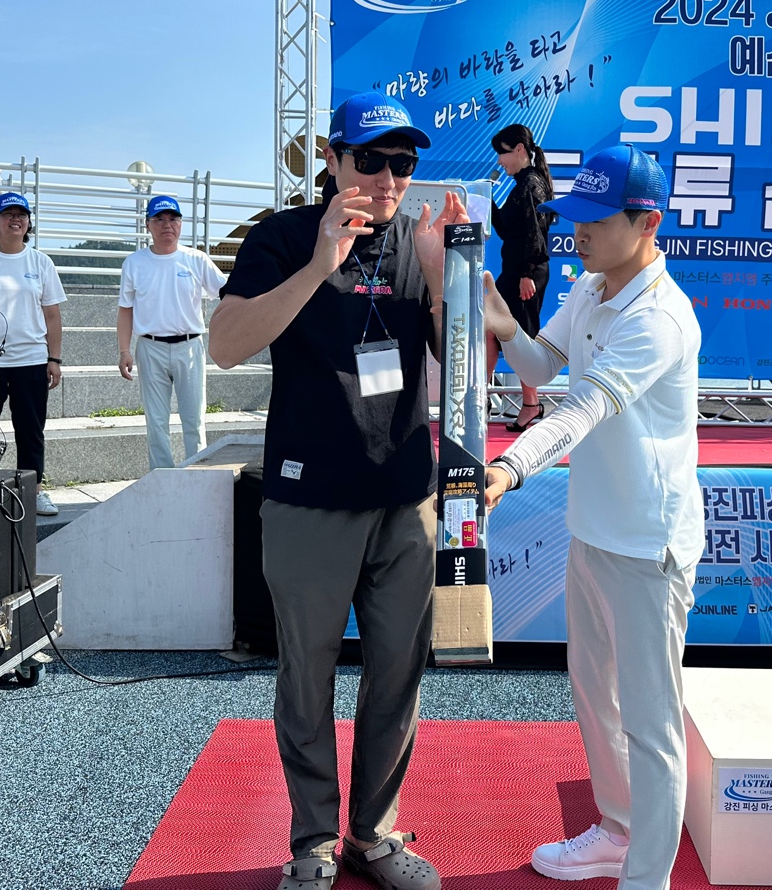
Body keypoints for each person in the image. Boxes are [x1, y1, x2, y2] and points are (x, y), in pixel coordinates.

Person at [208, 91, 464, 890]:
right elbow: (224, 345)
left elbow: (469, 366)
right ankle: (314, 839)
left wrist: (445, 279)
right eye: (371, 160)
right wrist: (319, 267)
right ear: (331, 159)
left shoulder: (421, 243)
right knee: (306, 676)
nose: (388, 179)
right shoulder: (283, 237)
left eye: (403, 163)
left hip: (404, 496)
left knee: (399, 672)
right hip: (307, 496)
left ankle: (373, 834)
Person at [481, 145, 703, 890]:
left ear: (647, 224)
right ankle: (616, 831)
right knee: (594, 694)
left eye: (597, 221)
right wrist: (502, 320)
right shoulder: (590, 287)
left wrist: (511, 465)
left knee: (651, 722)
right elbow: (541, 367)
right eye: (575, 217)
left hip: (648, 545)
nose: (578, 232)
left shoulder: (660, 318)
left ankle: (648, 878)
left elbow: (582, 410)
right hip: (593, 529)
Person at [0, 192, 68, 517]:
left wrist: (54, 358)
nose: (15, 220)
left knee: (30, 431)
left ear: (29, 222)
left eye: (21, 215)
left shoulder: (40, 262)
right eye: (8, 214)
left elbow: (52, 316)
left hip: (31, 361)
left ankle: (33, 490)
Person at [116, 195, 225, 470]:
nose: (167, 225)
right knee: (156, 422)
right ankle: (161, 477)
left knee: (194, 420)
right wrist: (124, 350)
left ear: (181, 223)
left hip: (189, 347)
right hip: (150, 347)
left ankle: (196, 476)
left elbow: (226, 292)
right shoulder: (134, 263)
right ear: (148, 224)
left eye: (173, 219)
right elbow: (125, 309)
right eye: (159, 219)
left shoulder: (196, 259)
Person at [488, 124, 555, 430]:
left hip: (525, 274)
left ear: (519, 150)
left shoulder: (531, 183)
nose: (499, 160)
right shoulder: (522, 184)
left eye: (502, 153)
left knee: (522, 337)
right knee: (494, 329)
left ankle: (529, 404)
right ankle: (487, 397)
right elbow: (507, 230)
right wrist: (486, 197)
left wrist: (527, 273)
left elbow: (535, 231)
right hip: (515, 271)